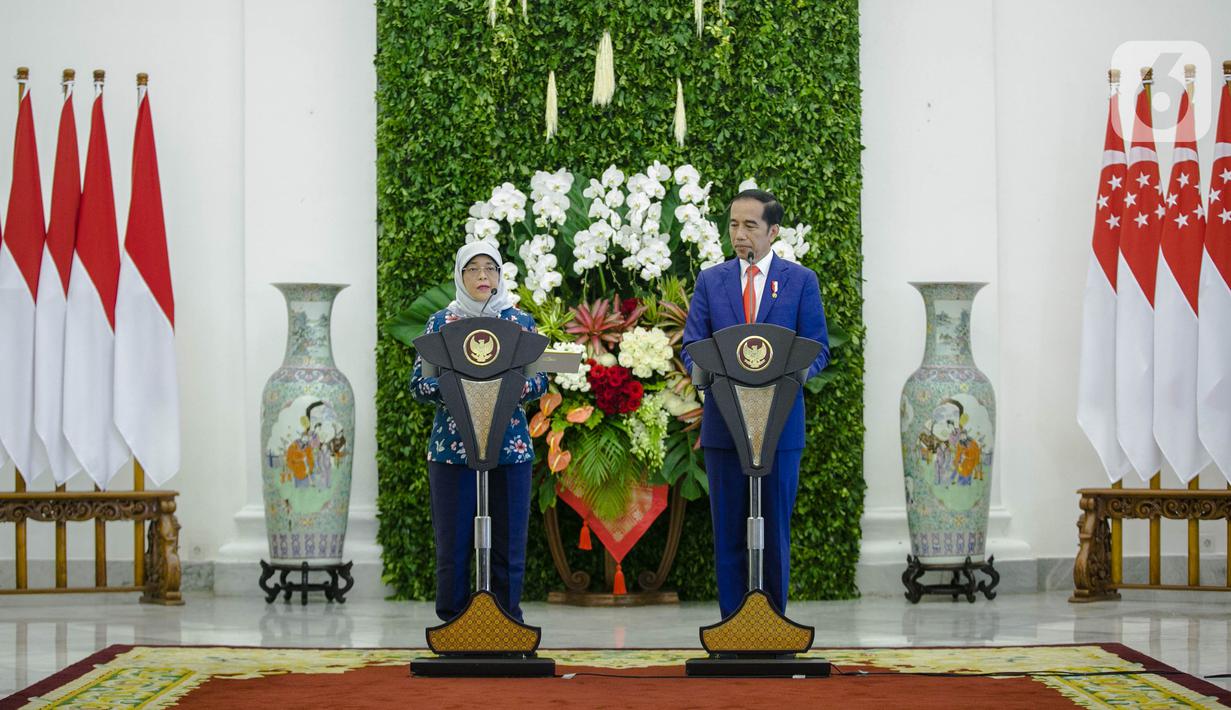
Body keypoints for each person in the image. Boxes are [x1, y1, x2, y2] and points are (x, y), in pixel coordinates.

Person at [682, 189, 829, 618]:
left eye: (750, 225)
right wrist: (704, 375)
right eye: (733, 224)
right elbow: (693, 344)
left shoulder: (801, 281)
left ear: (773, 231)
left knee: (775, 531)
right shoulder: (712, 280)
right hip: (724, 428)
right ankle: (732, 626)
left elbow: (817, 347)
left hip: (780, 428)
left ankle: (773, 625)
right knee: (728, 529)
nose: (739, 234)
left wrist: (791, 377)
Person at [410, 242, 547, 623]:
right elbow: (419, 385)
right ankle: (453, 622)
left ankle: (507, 622)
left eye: (491, 268)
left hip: (510, 448)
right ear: (460, 275)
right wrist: (465, 387)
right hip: (452, 450)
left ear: (501, 275)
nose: (483, 276)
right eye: (473, 269)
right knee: (452, 543)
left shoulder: (520, 324)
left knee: (508, 543)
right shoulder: (441, 324)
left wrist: (498, 388)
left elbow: (539, 384)